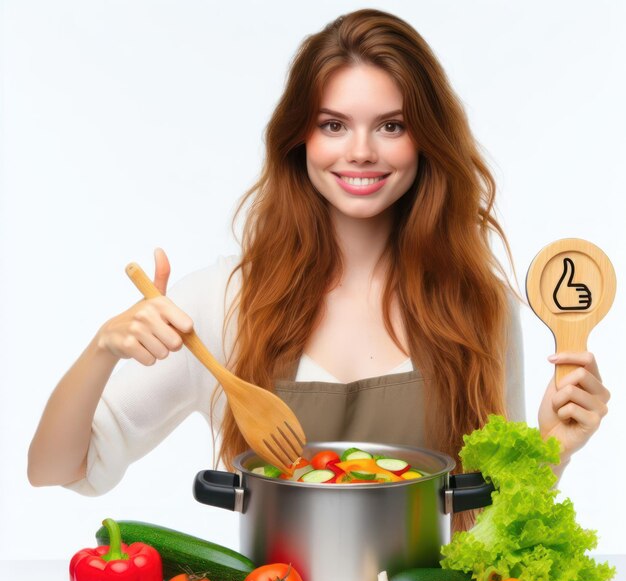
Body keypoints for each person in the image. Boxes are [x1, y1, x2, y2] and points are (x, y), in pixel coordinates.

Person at [28, 9, 609, 525]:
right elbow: (57, 468)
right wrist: (102, 349)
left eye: (392, 125)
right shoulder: (223, 301)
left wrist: (553, 447)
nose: (361, 150)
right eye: (334, 125)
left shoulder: (480, 304)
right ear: (299, 139)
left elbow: (483, 521)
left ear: (426, 141)